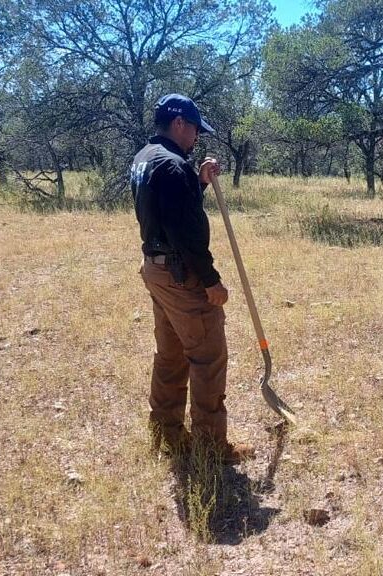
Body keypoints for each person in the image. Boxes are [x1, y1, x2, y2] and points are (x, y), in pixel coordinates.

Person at [130, 93, 253, 464]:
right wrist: (211, 281)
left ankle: (166, 432)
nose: (197, 137)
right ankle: (211, 447)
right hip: (181, 275)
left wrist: (196, 181)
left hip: (156, 269)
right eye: (195, 129)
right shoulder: (172, 166)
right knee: (208, 356)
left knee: (170, 354)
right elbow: (187, 233)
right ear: (179, 123)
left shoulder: (145, 158)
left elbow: (169, 211)